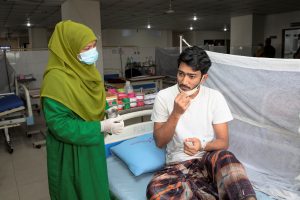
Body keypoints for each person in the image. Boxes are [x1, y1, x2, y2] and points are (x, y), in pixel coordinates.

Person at [147, 46, 256, 200]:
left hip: (208, 160)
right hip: (177, 165)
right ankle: (207, 190)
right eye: (181, 74)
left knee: (227, 158)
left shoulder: (214, 97)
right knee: (155, 192)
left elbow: (223, 142)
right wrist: (176, 113)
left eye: (192, 76)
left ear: (203, 78)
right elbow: (159, 142)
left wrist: (202, 145)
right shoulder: (163, 96)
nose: (184, 81)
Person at [40, 20, 124, 200]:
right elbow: (59, 125)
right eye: (86, 48)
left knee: (95, 188)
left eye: (94, 46)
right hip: (69, 150)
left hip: (91, 145)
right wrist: (101, 127)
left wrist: (109, 111)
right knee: (75, 192)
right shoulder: (56, 79)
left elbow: (89, 103)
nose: (92, 52)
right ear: (70, 48)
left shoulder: (86, 71)